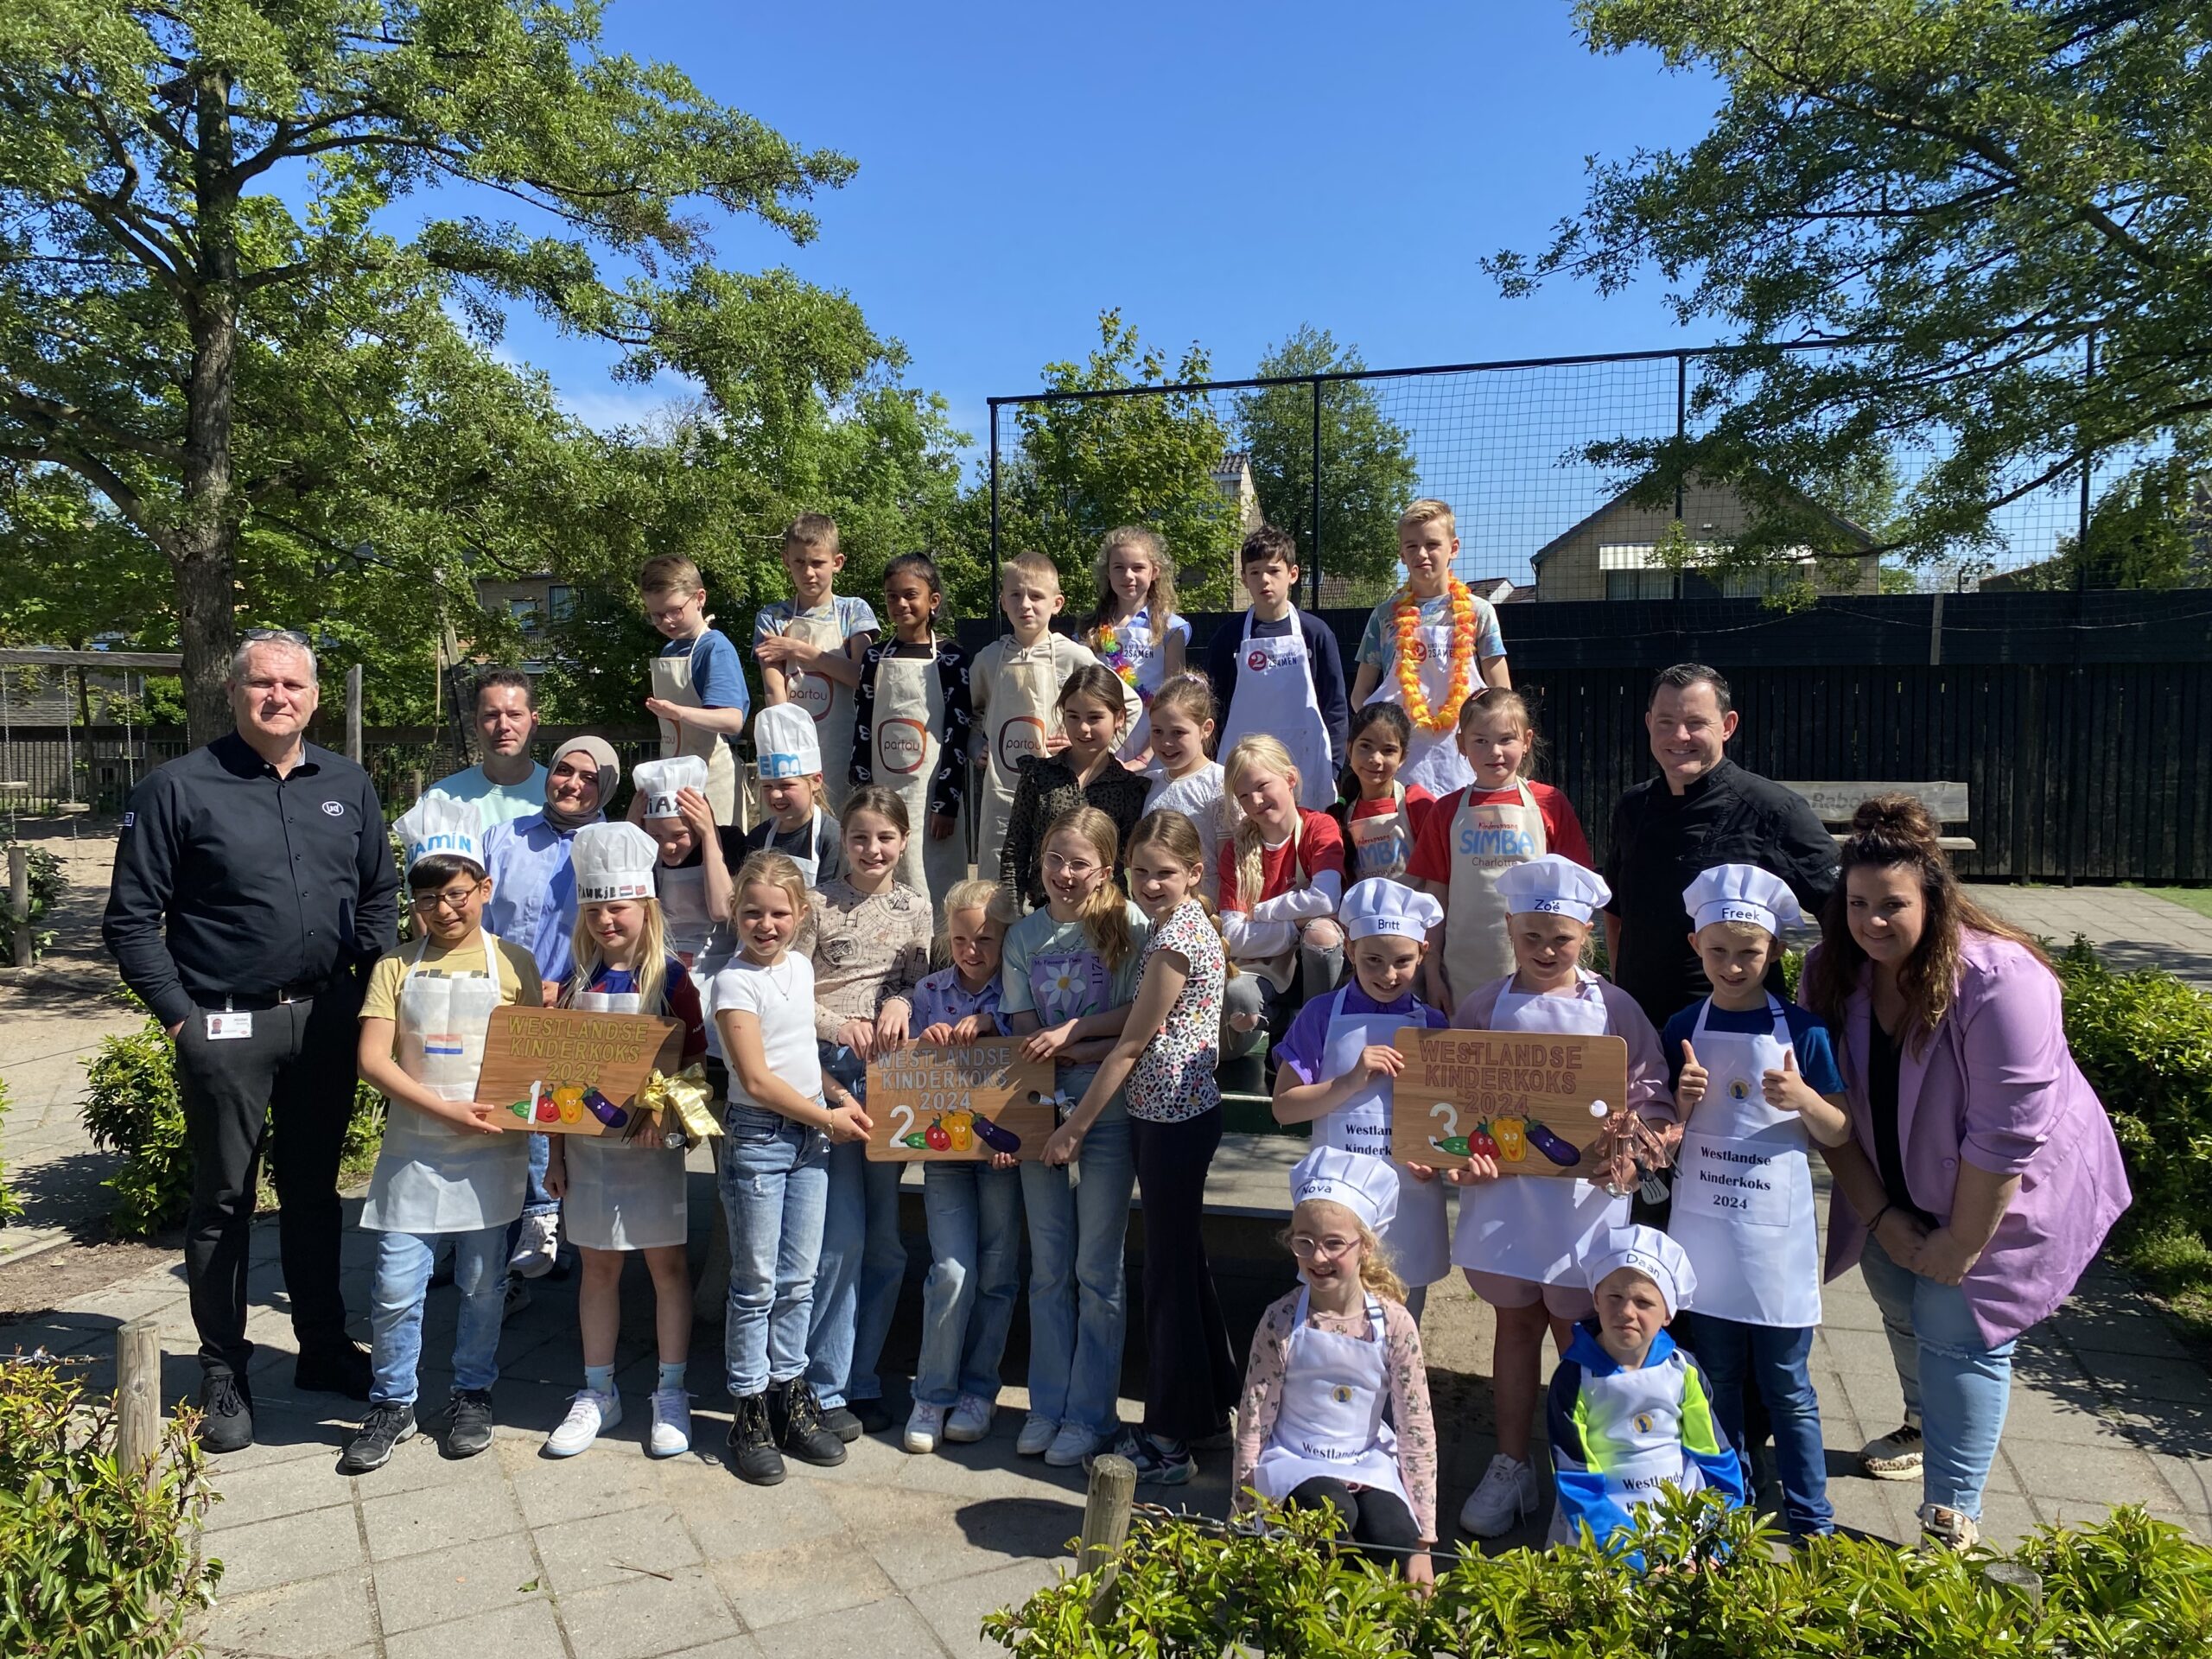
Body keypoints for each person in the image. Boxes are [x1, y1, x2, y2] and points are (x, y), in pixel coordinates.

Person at [1799, 796, 2132, 1551]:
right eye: (1856, 904)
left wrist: (1958, 1246)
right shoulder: (1830, 969)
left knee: (1955, 1324)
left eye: (1893, 906)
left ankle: (1951, 1514)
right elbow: (1824, 1102)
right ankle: (1921, 1420)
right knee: (1891, 1288)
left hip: (2006, 1184)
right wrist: (1882, 1217)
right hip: (1894, 1174)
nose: (1871, 922)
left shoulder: (2002, 979)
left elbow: (2005, 1136)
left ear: (1934, 899)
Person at [104, 630, 399, 1450]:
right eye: (262, 683)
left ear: (313, 696)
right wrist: (179, 1017)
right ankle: (224, 1371)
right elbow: (130, 919)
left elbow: (378, 896)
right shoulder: (179, 788)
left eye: (294, 685)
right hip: (225, 1024)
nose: (279, 697)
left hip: (328, 1019)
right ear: (235, 692)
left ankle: (323, 1348)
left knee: (314, 1194)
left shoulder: (347, 783)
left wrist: (370, 998)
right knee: (225, 1201)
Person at [1446, 855, 1675, 1539]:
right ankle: (1512, 1464)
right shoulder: (1485, 1006)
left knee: (1582, 1336)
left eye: (1562, 940)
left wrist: (1633, 1154)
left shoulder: (1616, 1009)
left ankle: (1586, 1476)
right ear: (1510, 930)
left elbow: (1650, 1093)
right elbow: (1454, 1105)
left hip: (1585, 1205)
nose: (1546, 953)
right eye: (1532, 938)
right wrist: (1464, 1159)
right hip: (1508, 1202)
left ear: (1587, 938)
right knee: (1513, 1326)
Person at [339, 799, 538, 1474]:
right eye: (429, 898)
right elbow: (373, 1059)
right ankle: (392, 1399)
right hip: (415, 1152)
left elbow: (537, 1059)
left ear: (483, 890)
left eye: (457, 894)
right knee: (395, 1287)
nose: (445, 910)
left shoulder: (515, 964)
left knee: (484, 1286)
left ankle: (471, 1392)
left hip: (495, 1152)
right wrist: (448, 1111)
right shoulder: (395, 967)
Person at [1047, 808, 1236, 1484]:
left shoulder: (1177, 936)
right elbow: (1136, 1021)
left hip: (1173, 1120)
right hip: (1170, 1114)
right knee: (1182, 1265)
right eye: (1141, 872)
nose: (1152, 884)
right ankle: (1209, 1413)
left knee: (1166, 1277)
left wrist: (1073, 1128)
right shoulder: (1171, 929)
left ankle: (1167, 1439)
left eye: (1165, 873)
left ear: (1193, 872)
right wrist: (1073, 1032)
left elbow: (1132, 1044)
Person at [1662, 864, 1852, 1541]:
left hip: (1774, 1240)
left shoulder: (1805, 1031)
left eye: (1748, 952)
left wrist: (1804, 1100)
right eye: (1719, 951)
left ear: (1773, 952)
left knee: (1788, 1387)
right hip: (1705, 1233)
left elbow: (1839, 1130)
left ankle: (1812, 1521)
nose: (1733, 965)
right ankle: (1729, 1507)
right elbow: (1663, 1134)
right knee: (1714, 1378)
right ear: (1697, 949)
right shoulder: (1685, 1024)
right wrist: (1679, 1102)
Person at [541, 823, 709, 1461]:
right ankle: (597, 1391)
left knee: (666, 1268)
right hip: (586, 1153)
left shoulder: (671, 979)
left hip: (650, 1152)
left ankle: (671, 1390)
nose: (608, 919)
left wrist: (669, 1120)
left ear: (645, 907)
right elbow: (553, 1078)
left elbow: (695, 1068)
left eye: (619, 906)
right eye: (596, 908)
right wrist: (554, 1155)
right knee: (598, 1268)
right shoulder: (573, 978)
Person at [710, 851, 873, 1484]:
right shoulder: (732, 981)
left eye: (779, 913)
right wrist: (823, 1118)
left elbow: (797, 1051)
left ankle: (790, 1391)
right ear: (736, 914)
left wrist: (833, 1094)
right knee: (755, 1282)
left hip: (810, 1131)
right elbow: (753, 1075)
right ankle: (749, 1407)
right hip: (761, 1136)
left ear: (800, 914)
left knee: (799, 1276)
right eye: (753, 912)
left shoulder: (800, 969)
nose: (766, 924)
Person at [1004, 806, 1151, 1468]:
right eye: (1054, 861)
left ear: (1106, 867)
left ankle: (1091, 1413)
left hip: (1106, 1110)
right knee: (1048, 1266)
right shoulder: (1024, 936)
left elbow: (1137, 1014)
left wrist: (1073, 1033)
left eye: (1080, 863)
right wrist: (1046, 1039)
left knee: (1098, 1269)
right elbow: (1019, 1017)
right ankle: (1047, 1403)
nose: (1065, 874)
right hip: (1039, 1108)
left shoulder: (1126, 926)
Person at [1232, 1147, 1439, 1584]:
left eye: (1333, 1244)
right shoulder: (1282, 1320)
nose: (1318, 1257)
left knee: (1391, 1535)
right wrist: (1242, 1507)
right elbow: (1255, 1418)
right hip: (1296, 1460)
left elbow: (1415, 1425)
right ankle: (1309, 1601)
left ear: (1365, 1246)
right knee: (1333, 1516)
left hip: (1364, 1459)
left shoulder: (1394, 1324)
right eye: (1303, 1242)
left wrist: (1424, 1539)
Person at [1601, 664, 1838, 1031]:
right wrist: (1621, 998)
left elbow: (1841, 913)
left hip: (1740, 1033)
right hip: (1642, 1029)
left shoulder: (1772, 811)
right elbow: (1616, 912)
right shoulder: (1632, 807)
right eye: (1666, 722)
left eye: (1696, 723)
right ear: (1649, 723)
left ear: (1727, 726)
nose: (1679, 736)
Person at [806, 786, 933, 1437]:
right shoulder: (818, 904)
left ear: (903, 841)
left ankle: (860, 1376)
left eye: (885, 837)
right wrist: (839, 1023)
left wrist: (904, 1003)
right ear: (843, 840)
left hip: (892, 1080)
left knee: (884, 1244)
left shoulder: (916, 907)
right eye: (860, 837)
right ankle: (821, 1384)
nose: (873, 849)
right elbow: (787, 988)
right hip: (830, 1076)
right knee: (841, 1239)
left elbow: (920, 978)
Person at [1270, 880, 1452, 1320]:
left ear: (1423, 953)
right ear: (1349, 950)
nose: (1388, 974)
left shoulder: (1434, 1024)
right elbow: (1285, 1106)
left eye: (1403, 962)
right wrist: (1350, 1081)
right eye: (1373, 960)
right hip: (1339, 1207)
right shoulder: (1320, 1015)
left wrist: (1440, 1159)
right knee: (1335, 1320)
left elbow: (1451, 1118)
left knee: (1403, 1323)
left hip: (1411, 1200)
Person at [480, 735, 619, 1284]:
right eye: (566, 770)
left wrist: (572, 984)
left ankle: (543, 1223)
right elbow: (478, 917)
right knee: (494, 1117)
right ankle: (484, 1236)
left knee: (549, 1115)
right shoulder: (503, 838)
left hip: (571, 1000)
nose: (574, 784)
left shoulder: (612, 845)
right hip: (498, 999)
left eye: (589, 778)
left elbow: (621, 927)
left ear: (605, 788)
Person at [904, 879, 1022, 1455]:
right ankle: (933, 1391)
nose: (972, 950)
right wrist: (923, 1037)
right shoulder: (928, 991)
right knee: (952, 1271)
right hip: (944, 1152)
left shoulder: (1020, 991)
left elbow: (1032, 1059)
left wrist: (995, 1024)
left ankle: (979, 1389)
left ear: (1005, 938)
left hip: (1000, 1151)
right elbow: (907, 1069)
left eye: (985, 939)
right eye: (960, 939)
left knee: (998, 1273)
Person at [1547, 1227, 1745, 1557]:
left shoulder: (1683, 1371)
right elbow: (1576, 1476)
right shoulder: (1574, 1379)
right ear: (1596, 1297)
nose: (1626, 1312)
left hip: (1683, 1527)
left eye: (1643, 1302)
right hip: (1609, 1532)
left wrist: (1717, 1541)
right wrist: (1631, 1556)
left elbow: (1715, 1457)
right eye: (1614, 1297)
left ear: (1668, 1313)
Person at [1407, 689, 1590, 1014]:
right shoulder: (1445, 811)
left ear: (1527, 740)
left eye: (1507, 739)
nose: (1495, 752)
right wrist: (1431, 969)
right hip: (1463, 971)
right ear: (1461, 745)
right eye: (1480, 741)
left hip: (1540, 969)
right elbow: (1436, 897)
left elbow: (1577, 892)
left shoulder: (1550, 803)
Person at [969, 551, 1141, 877]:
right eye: (1016, 595)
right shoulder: (989, 660)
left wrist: (1094, 755)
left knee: (1055, 871)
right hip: (1001, 793)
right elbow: (968, 714)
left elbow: (1128, 703)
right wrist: (974, 745)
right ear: (1003, 602)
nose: (1026, 604)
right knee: (998, 880)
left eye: (1036, 596)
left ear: (1057, 603)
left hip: (1057, 792)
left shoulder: (1073, 655)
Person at [1348, 499, 1510, 797]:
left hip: (1464, 760)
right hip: (1403, 766)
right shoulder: (1385, 617)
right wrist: (1381, 737)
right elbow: (1361, 693)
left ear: (1454, 548)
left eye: (1432, 544)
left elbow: (1502, 694)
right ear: (1401, 554)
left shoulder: (1479, 612)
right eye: (1411, 546)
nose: (1421, 554)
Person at [849, 553, 973, 903]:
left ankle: (938, 953)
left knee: (928, 875)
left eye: (910, 595)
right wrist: (860, 788)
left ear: (933, 601)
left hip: (929, 795)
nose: (900, 603)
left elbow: (957, 730)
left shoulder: (951, 658)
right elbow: (864, 722)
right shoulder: (874, 657)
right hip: (882, 789)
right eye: (892, 596)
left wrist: (947, 802)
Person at [1217, 734, 1346, 1058]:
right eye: (1244, 796)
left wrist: (1262, 912)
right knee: (1238, 997)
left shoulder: (1319, 827)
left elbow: (1327, 900)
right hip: (1264, 968)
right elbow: (1232, 937)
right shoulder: (1236, 849)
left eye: (1262, 786)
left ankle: (1317, 1029)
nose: (1255, 801)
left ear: (1290, 778)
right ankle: (1282, 1026)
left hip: (1311, 964)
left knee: (1321, 933)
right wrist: (1294, 926)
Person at [1206, 524, 1348, 810]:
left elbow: (1335, 706)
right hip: (1243, 770)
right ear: (1244, 578)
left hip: (1306, 766)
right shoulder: (1228, 638)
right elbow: (1213, 707)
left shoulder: (1315, 633)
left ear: (1293, 574)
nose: (1264, 580)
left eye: (1273, 571)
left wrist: (1333, 765)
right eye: (1255, 572)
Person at [753, 512, 879, 814]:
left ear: (837, 562)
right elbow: (775, 694)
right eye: (799, 562)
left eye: (818, 563)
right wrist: (790, 757)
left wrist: (797, 649)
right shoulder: (771, 617)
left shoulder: (854, 612)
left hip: (844, 748)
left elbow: (861, 676)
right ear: (786, 561)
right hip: (791, 750)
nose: (808, 572)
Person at [998, 665, 1150, 909]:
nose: (1083, 728)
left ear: (1119, 718)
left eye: (1094, 717)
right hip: (1044, 913)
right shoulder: (1039, 776)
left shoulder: (1128, 787)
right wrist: (1009, 914)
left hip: (1104, 917)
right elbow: (1016, 849)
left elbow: (1130, 862)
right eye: (1073, 716)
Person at [639, 554, 748, 825]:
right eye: (656, 615)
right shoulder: (670, 649)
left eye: (674, 610)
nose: (666, 622)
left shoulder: (715, 648)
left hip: (713, 782)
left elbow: (732, 720)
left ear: (699, 598)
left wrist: (679, 712)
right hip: (675, 778)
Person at [1084, 524, 1188, 767]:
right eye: (1118, 568)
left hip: (1155, 747)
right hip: (1104, 744)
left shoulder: (1171, 627)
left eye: (1138, 567)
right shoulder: (1090, 629)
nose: (1128, 576)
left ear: (1154, 572)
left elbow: (1175, 698)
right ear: (1108, 574)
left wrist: (1145, 756)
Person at [425, 667, 548, 826]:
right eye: (491, 715)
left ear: (534, 722)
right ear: (475, 722)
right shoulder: (441, 800)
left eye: (514, 715)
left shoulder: (563, 796)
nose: (503, 726)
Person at [629, 755, 721, 965]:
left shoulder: (727, 841)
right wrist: (631, 831)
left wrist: (710, 835)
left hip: (713, 964)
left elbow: (721, 910)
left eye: (679, 835)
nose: (668, 846)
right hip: (658, 962)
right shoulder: (645, 853)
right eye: (656, 836)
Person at [741, 702, 842, 886]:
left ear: (816, 781)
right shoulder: (758, 837)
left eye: (786, 785)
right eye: (767, 787)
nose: (775, 795)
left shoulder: (832, 837)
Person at [1333, 703, 1433, 887]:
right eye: (1365, 746)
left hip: (1414, 913)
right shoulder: (1341, 814)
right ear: (1349, 749)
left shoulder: (1416, 803)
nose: (1375, 759)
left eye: (1388, 750)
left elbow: (1439, 869)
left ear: (1402, 757)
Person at [1141, 673, 1226, 850]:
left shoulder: (1219, 783)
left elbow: (1230, 858)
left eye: (1178, 732)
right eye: (1157, 731)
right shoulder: (1149, 782)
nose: (1166, 742)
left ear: (1206, 729)